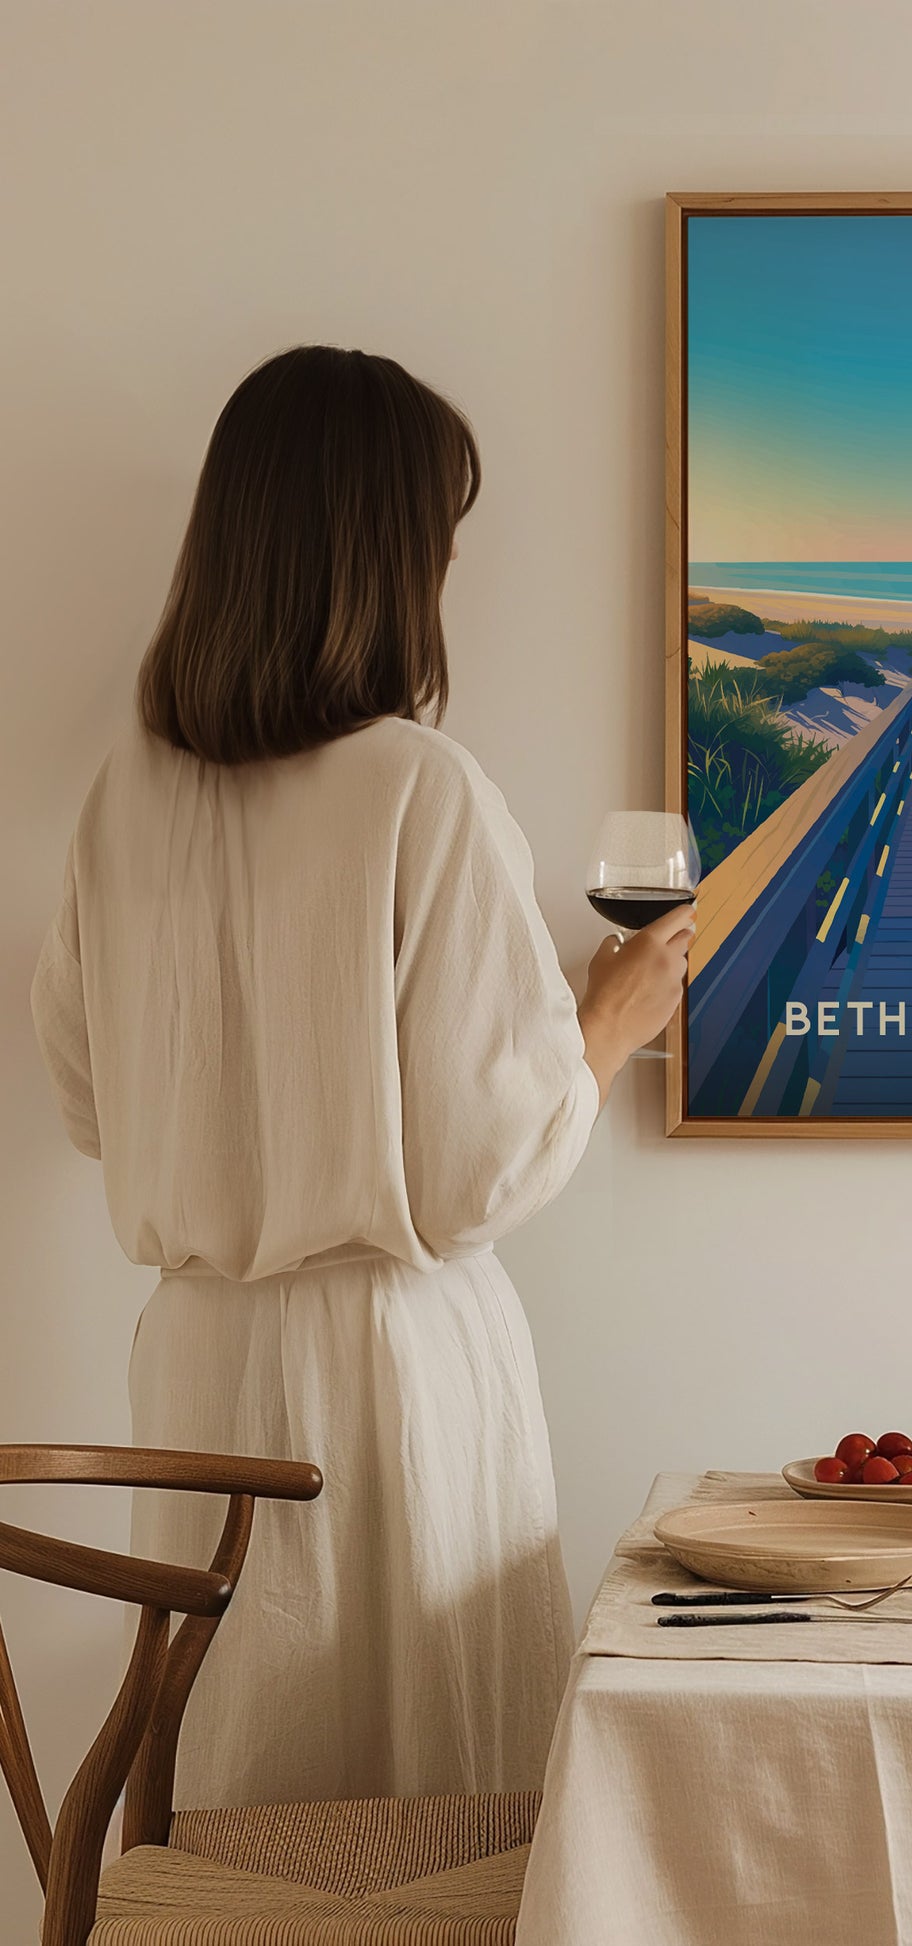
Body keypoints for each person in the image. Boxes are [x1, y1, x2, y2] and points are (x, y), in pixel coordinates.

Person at [29, 345, 690, 1806]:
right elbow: (474, 1172)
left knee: (241, 1792)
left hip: (198, 1362)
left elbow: (87, 1101)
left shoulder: (122, 798)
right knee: (424, 1812)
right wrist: (606, 1019)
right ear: (387, 556)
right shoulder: (417, 785)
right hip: (391, 1373)